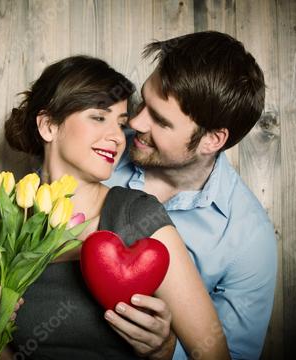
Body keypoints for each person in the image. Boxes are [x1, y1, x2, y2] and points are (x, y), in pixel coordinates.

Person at [0, 55, 230, 359]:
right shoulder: (3, 219)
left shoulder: (136, 216)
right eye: (99, 117)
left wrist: (163, 351)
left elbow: (214, 353)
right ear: (48, 126)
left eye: (121, 124)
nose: (116, 137)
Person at [103, 31, 278, 360]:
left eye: (160, 120)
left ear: (212, 140)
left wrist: (170, 351)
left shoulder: (249, 240)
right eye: (144, 102)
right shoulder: (101, 148)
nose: (135, 121)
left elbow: (234, 355)